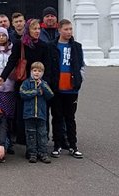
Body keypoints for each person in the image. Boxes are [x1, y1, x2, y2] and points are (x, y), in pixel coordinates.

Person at [0, 18, 53, 146]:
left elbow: (48, 66)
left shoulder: (44, 45)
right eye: (34, 29)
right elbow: (12, 61)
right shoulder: (20, 44)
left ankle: (41, 140)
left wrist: (46, 83)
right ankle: (24, 140)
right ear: (28, 30)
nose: (37, 31)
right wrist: (3, 77)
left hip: (39, 82)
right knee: (23, 112)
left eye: (39, 28)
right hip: (23, 82)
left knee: (40, 111)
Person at [48, 19, 85, 159]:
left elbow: (81, 65)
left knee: (70, 118)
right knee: (57, 117)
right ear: (59, 30)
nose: (69, 32)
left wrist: (79, 81)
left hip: (72, 90)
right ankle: (57, 145)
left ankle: (72, 146)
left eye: (70, 29)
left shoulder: (76, 47)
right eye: (66, 29)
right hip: (57, 89)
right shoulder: (52, 46)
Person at [20, 61, 54, 163]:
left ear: (42, 73)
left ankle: (43, 153)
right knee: (31, 134)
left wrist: (42, 86)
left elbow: (50, 94)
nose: (37, 73)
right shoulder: (26, 83)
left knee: (42, 134)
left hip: (41, 114)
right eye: (35, 70)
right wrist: (36, 92)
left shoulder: (44, 84)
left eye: (39, 71)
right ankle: (32, 153)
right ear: (31, 71)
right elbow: (22, 93)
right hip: (29, 114)